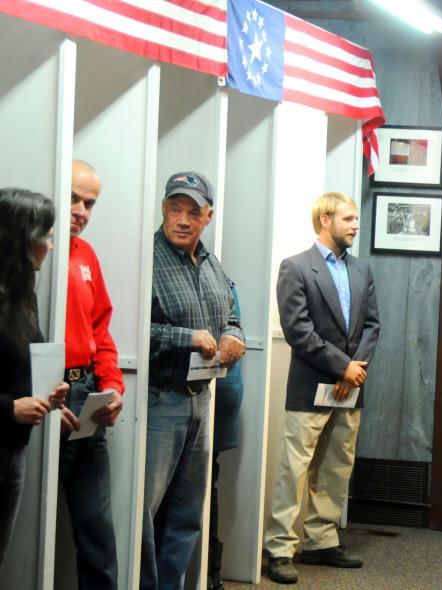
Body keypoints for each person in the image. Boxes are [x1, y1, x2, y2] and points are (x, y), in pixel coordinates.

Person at [264, 192, 380, 585]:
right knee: (294, 469)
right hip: (312, 386)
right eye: (347, 218)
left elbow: (371, 326)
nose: (355, 225)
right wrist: (342, 367)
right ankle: (280, 547)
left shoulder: (362, 270)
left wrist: (355, 371)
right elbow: (298, 331)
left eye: (354, 219)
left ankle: (320, 541)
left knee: (335, 468)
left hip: (351, 388)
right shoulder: (295, 268)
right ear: (325, 220)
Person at [143, 172, 244, 590]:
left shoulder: (211, 263)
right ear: (164, 209)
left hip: (202, 399)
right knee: (145, 513)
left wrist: (233, 336)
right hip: (159, 400)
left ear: (208, 216)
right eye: (174, 209)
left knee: (187, 513)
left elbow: (232, 317)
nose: (182, 220)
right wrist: (187, 338)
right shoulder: (146, 257)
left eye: (192, 212)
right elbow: (131, 330)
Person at [57, 160, 125, 590]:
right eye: (73, 198)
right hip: (44, 401)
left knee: (98, 530)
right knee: (28, 524)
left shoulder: (86, 255)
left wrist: (113, 387)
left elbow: (101, 329)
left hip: (87, 400)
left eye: (90, 203)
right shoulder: (23, 249)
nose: (81, 211)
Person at [0, 188, 68, 567]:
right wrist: (10, 407)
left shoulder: (24, 291)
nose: (51, 245)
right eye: (46, 235)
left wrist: (50, 393)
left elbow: (24, 361)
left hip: (13, 449)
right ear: (21, 238)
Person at [207, 279, 243, 590]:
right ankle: (208, 574)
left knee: (207, 483)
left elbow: (235, 327)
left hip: (216, 393)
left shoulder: (218, 277)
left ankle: (210, 572)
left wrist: (233, 337)